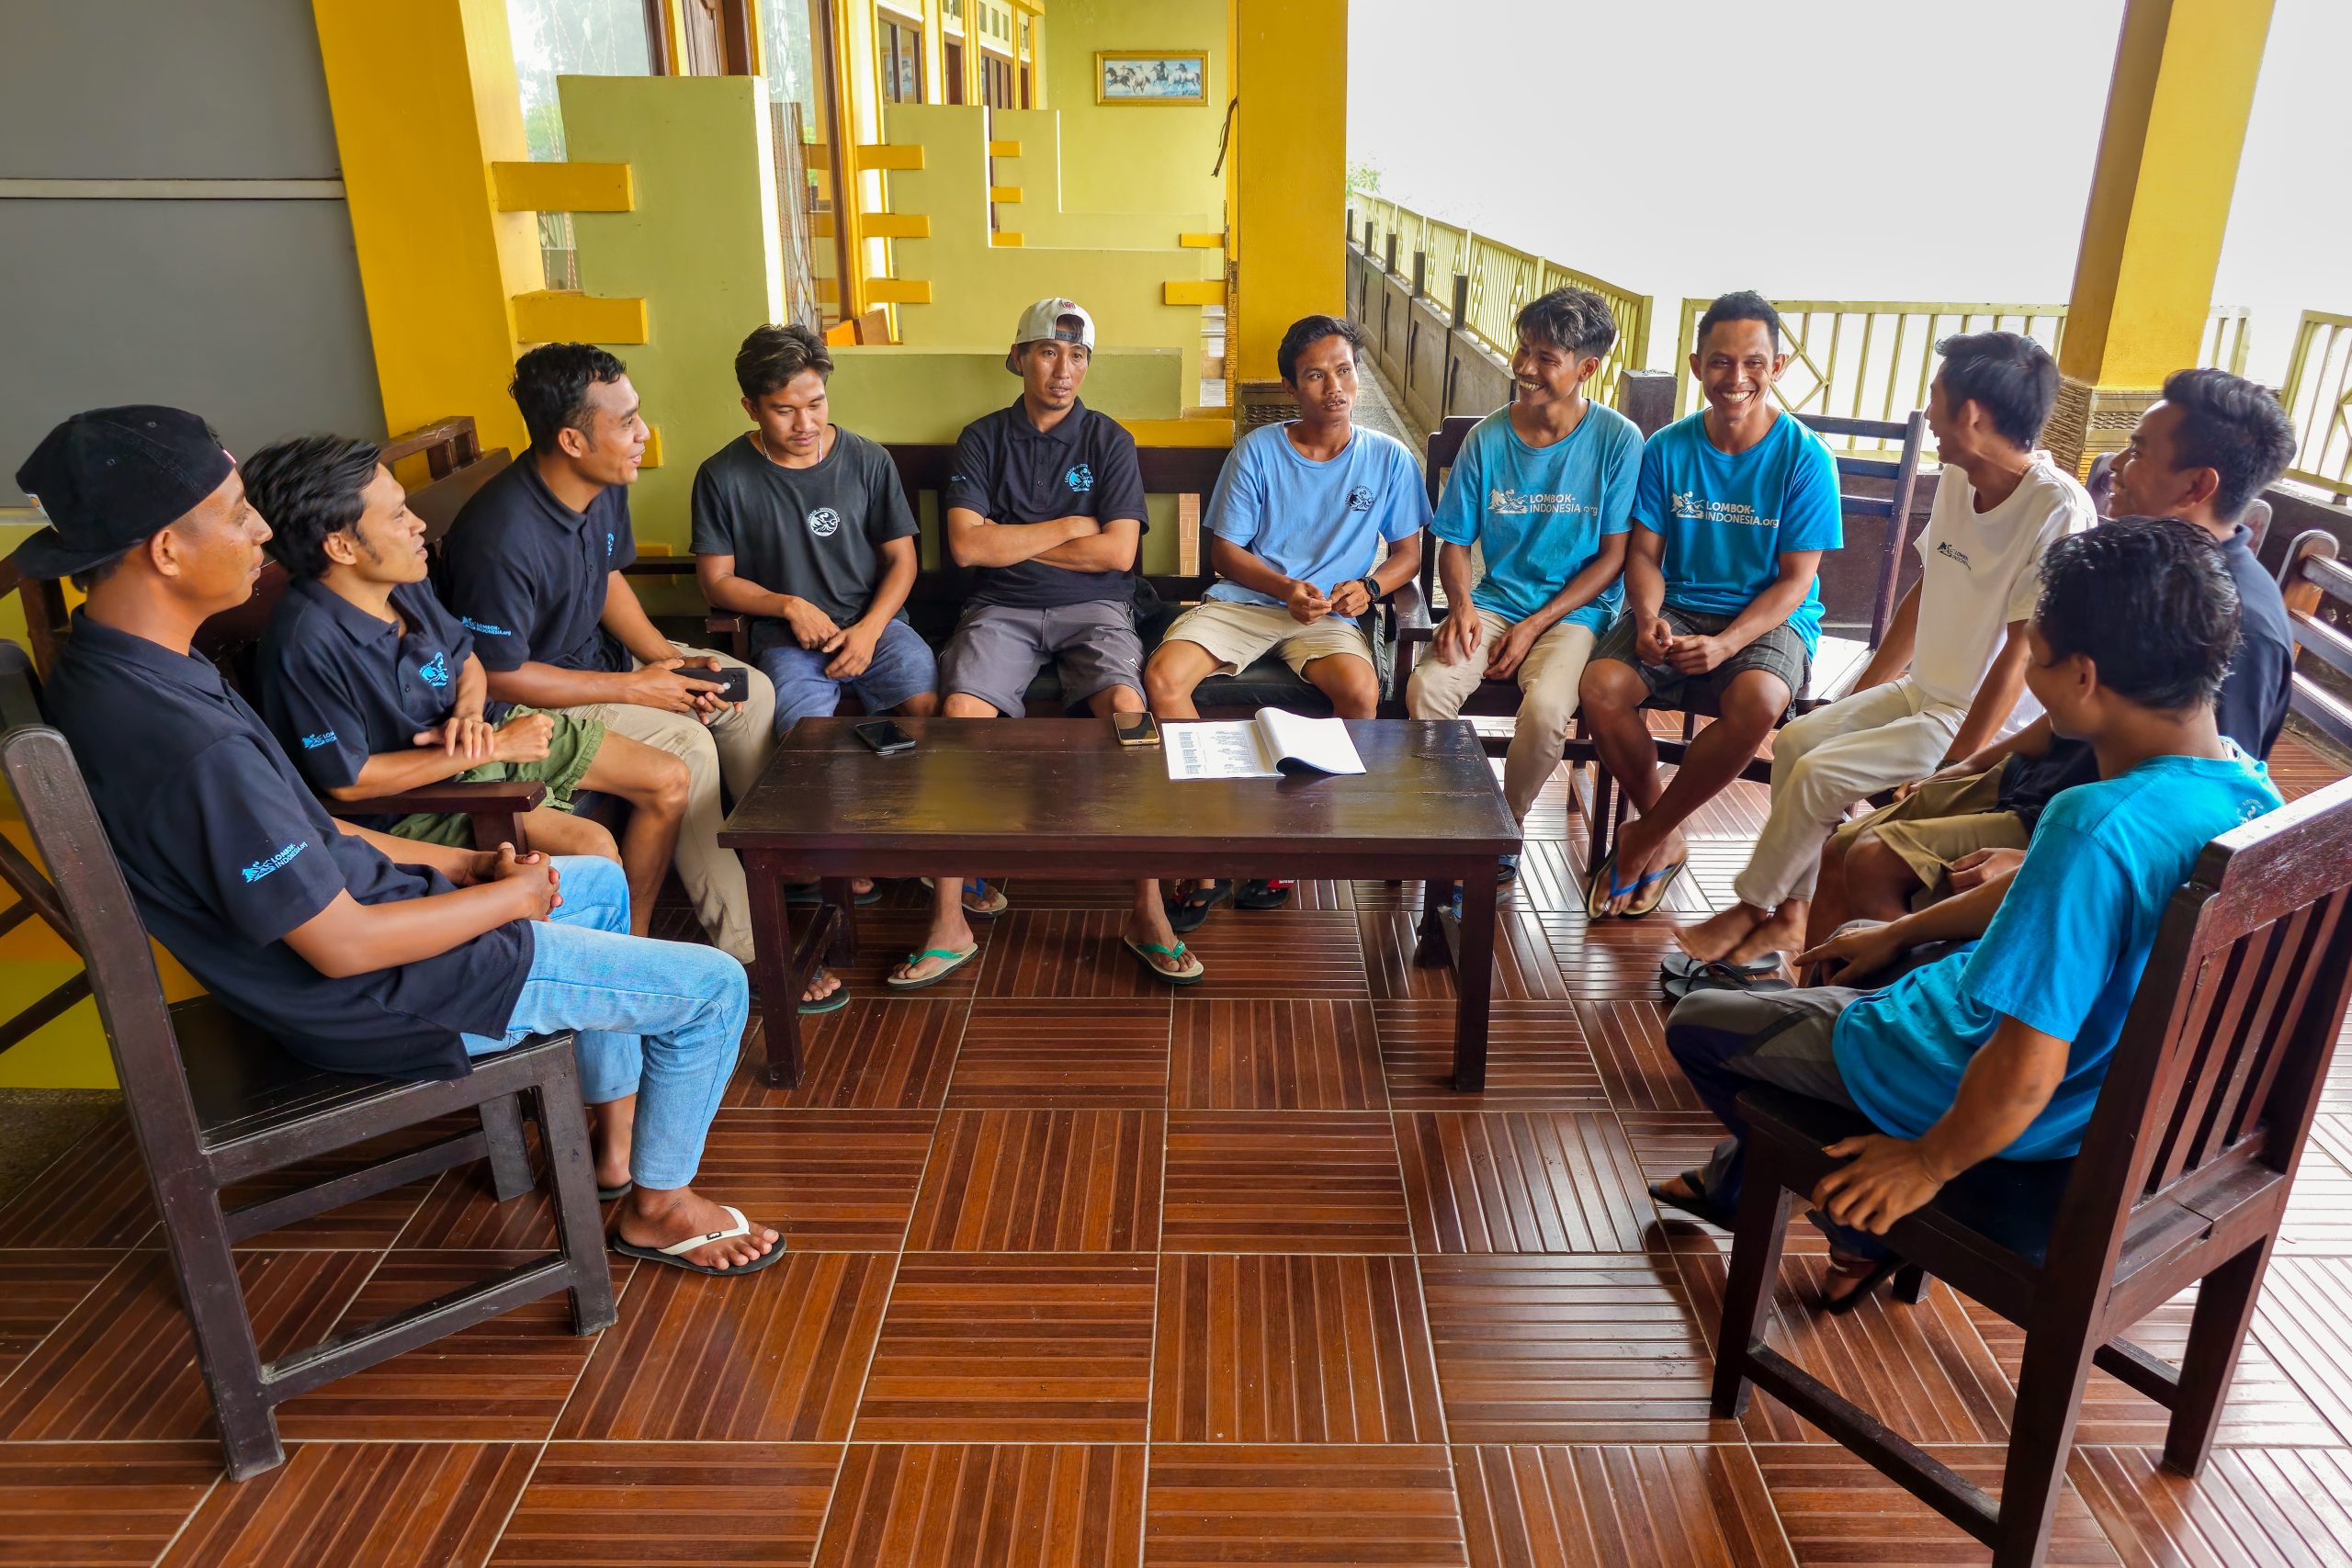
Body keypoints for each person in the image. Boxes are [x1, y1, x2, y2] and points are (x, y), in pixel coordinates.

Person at [14, 407, 778, 1275]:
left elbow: (313, 823)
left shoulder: (129, 665)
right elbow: (344, 946)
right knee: (713, 991)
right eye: (234, 512)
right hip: (379, 993)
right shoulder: (191, 741)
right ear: (163, 549)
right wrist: (511, 897)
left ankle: (613, 1149)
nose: (261, 527)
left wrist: (458, 861)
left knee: (597, 887)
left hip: (377, 930)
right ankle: (660, 1203)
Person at [1653, 519, 2281, 1311]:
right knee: (1861, 959)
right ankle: (1742, 1176)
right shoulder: (2246, 790)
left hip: (1988, 1092)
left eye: (2036, 660)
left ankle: (1855, 1229)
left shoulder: (2091, 822)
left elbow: (2026, 1065)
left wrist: (1927, 1165)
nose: (2031, 679)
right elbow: (2043, 904)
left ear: (2082, 679)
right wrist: (1902, 930)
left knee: (1704, 1021)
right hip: (2104, 1098)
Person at [1814, 367, 2300, 942]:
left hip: (2078, 829)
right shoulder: (2140, 565)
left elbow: (2197, 814)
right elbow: (2070, 712)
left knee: (1869, 858)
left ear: (2197, 486)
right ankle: (1813, 1005)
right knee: (1842, 845)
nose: (2116, 465)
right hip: (2034, 787)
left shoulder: (2238, 627)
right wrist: (1972, 763)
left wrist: (2032, 863)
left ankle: (1887, 1009)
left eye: (2139, 452)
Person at [1670, 332, 2092, 973]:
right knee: (1795, 742)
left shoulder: (2056, 509)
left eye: (1938, 399)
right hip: (1924, 690)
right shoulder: (1957, 476)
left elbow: (2018, 656)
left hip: (1974, 718)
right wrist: (1864, 689)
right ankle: (1791, 913)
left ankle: (1751, 908)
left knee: (1820, 774)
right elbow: (1928, 589)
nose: (1930, 414)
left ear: (1973, 416)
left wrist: (1962, 763)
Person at [437, 345, 820, 1008]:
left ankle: (768, 871)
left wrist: (663, 661)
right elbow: (499, 680)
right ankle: (748, 944)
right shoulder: (499, 536)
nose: (644, 434)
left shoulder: (603, 482)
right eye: (628, 421)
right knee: (690, 749)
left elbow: (609, 579)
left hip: (603, 666)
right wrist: (636, 688)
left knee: (746, 692)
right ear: (571, 438)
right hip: (537, 705)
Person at [243, 434, 692, 937]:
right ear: (341, 545)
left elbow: (469, 661)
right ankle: (610, 974)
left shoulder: (403, 581)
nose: (419, 525)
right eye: (396, 517)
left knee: (667, 778)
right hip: (413, 804)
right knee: (593, 847)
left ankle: (637, 941)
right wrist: (489, 748)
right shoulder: (306, 644)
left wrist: (469, 716)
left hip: (483, 742)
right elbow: (349, 782)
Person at [894, 298, 1200, 989]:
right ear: (1020, 357)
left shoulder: (1106, 440)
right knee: (957, 723)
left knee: (1129, 717)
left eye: (1079, 356)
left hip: (1094, 610)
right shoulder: (981, 438)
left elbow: (1118, 552)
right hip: (999, 609)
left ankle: (1146, 911)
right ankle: (948, 918)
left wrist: (1017, 542)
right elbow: (969, 546)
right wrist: (1069, 523)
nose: (1064, 370)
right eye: (1048, 352)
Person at [1145, 313, 1427, 926]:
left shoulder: (1388, 459)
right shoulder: (1260, 451)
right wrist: (1283, 587)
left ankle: (1288, 844)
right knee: (1165, 678)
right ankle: (1212, 841)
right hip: (1246, 604)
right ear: (1293, 387)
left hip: (1325, 616)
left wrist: (1371, 586)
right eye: (1316, 376)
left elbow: (1409, 553)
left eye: (1345, 370)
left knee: (1361, 692)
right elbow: (1226, 552)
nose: (1335, 387)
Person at [1576, 292, 1843, 919]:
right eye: (1721, 362)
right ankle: (1664, 832)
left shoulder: (1807, 459)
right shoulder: (1668, 448)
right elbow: (1643, 554)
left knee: (1760, 702)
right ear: (1697, 366)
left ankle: (1643, 836)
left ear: (1777, 367)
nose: (1737, 378)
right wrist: (1646, 618)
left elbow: (1796, 580)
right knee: (1602, 686)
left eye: (1754, 362)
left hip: (1767, 614)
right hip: (1681, 601)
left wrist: (1727, 643)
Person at [1407, 287, 1644, 887]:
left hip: (1576, 614)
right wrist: (1461, 604)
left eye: (1546, 357)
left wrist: (1536, 625)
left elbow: (1614, 558)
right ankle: (1443, 820)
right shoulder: (1489, 438)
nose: (1525, 368)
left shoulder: (1618, 441)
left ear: (1587, 368)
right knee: (1427, 687)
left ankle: (1504, 827)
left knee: (1543, 713)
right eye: (1523, 349)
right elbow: (1455, 542)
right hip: (1493, 601)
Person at [692, 322, 937, 737]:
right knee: (802, 738)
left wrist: (869, 630)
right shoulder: (722, 475)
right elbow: (715, 581)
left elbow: (902, 560)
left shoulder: (867, 460)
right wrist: (790, 606)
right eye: (784, 411)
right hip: (787, 642)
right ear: (751, 407)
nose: (805, 424)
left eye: (816, 404)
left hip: (875, 626)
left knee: (929, 712)